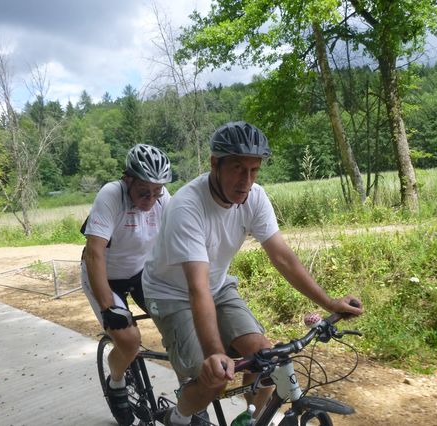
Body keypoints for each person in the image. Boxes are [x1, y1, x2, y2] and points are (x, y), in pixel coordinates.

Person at [141, 121, 363, 426]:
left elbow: (282, 258)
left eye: (254, 170)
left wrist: (330, 303)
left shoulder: (254, 198)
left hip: (217, 286)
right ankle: (177, 417)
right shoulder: (187, 206)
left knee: (267, 357)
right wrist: (215, 353)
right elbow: (196, 288)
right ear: (214, 164)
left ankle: (254, 417)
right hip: (171, 293)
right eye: (237, 168)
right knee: (213, 379)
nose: (246, 181)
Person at [81, 143, 172, 426]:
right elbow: (95, 252)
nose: (151, 198)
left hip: (141, 273)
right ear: (127, 178)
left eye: (157, 192)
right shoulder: (111, 194)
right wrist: (109, 307)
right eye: (144, 191)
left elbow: (177, 239)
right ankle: (117, 382)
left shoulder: (162, 196)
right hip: (104, 274)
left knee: (179, 325)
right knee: (130, 340)